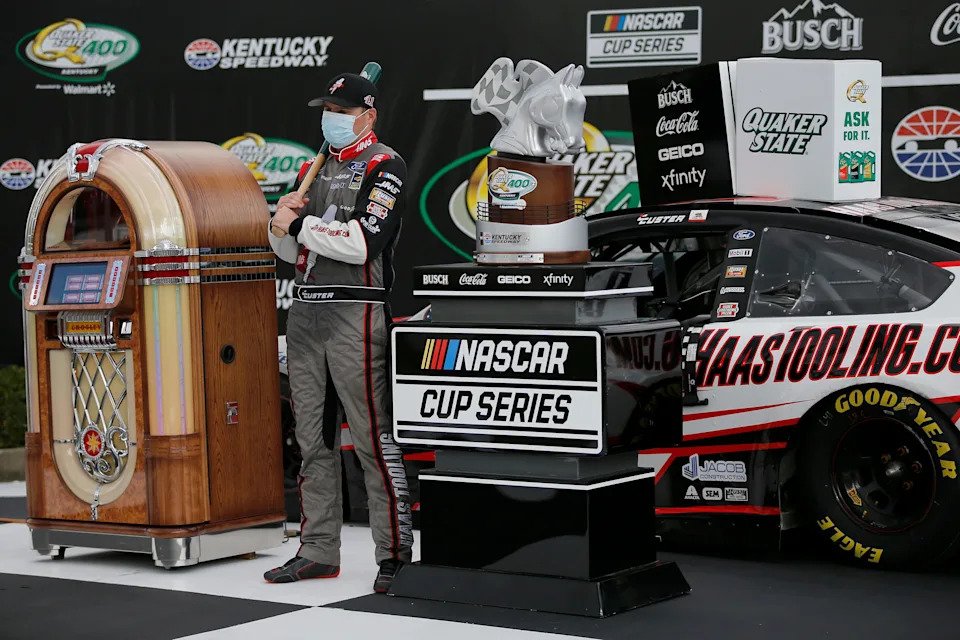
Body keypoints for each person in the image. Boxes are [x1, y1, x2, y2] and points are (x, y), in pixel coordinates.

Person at [264, 72, 413, 592]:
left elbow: (363, 243)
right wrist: (277, 225)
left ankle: (394, 554)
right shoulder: (314, 166)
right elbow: (291, 253)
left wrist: (300, 226)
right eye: (327, 107)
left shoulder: (385, 165)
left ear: (368, 116)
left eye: (342, 109)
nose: (332, 116)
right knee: (312, 442)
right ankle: (318, 551)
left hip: (358, 313)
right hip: (305, 315)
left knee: (373, 442)